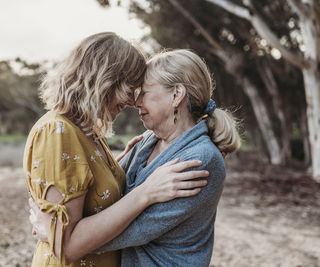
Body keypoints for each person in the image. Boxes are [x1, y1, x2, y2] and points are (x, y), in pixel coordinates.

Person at [30, 49, 241, 266]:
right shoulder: (147, 142)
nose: (136, 102)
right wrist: (112, 168)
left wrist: (57, 235)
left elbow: (133, 228)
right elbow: (115, 199)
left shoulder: (201, 159)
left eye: (144, 92)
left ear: (176, 94)